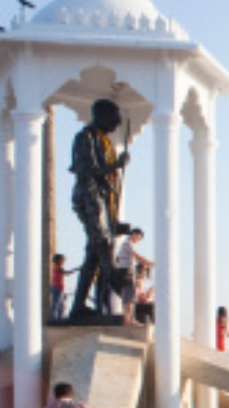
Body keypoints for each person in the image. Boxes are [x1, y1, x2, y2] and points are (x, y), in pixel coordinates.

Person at [68, 98, 132, 318]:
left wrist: (114, 223)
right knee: (103, 244)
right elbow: (88, 170)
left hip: (102, 200)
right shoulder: (84, 138)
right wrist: (116, 165)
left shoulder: (103, 141)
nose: (115, 127)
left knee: (94, 255)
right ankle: (114, 279)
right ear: (101, 116)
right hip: (88, 197)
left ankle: (81, 306)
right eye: (113, 121)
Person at [115, 228, 152, 326]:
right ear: (134, 234)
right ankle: (130, 320)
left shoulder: (125, 244)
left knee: (127, 296)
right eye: (138, 238)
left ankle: (127, 319)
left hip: (124, 271)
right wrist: (150, 263)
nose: (138, 240)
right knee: (130, 297)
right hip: (126, 272)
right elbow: (138, 257)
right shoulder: (128, 244)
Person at [49, 254, 80, 323]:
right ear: (58, 260)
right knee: (57, 303)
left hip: (59, 288)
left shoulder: (55, 268)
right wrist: (78, 269)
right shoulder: (58, 267)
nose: (63, 262)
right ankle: (54, 318)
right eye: (62, 260)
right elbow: (67, 273)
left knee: (61, 304)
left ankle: (60, 318)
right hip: (57, 287)